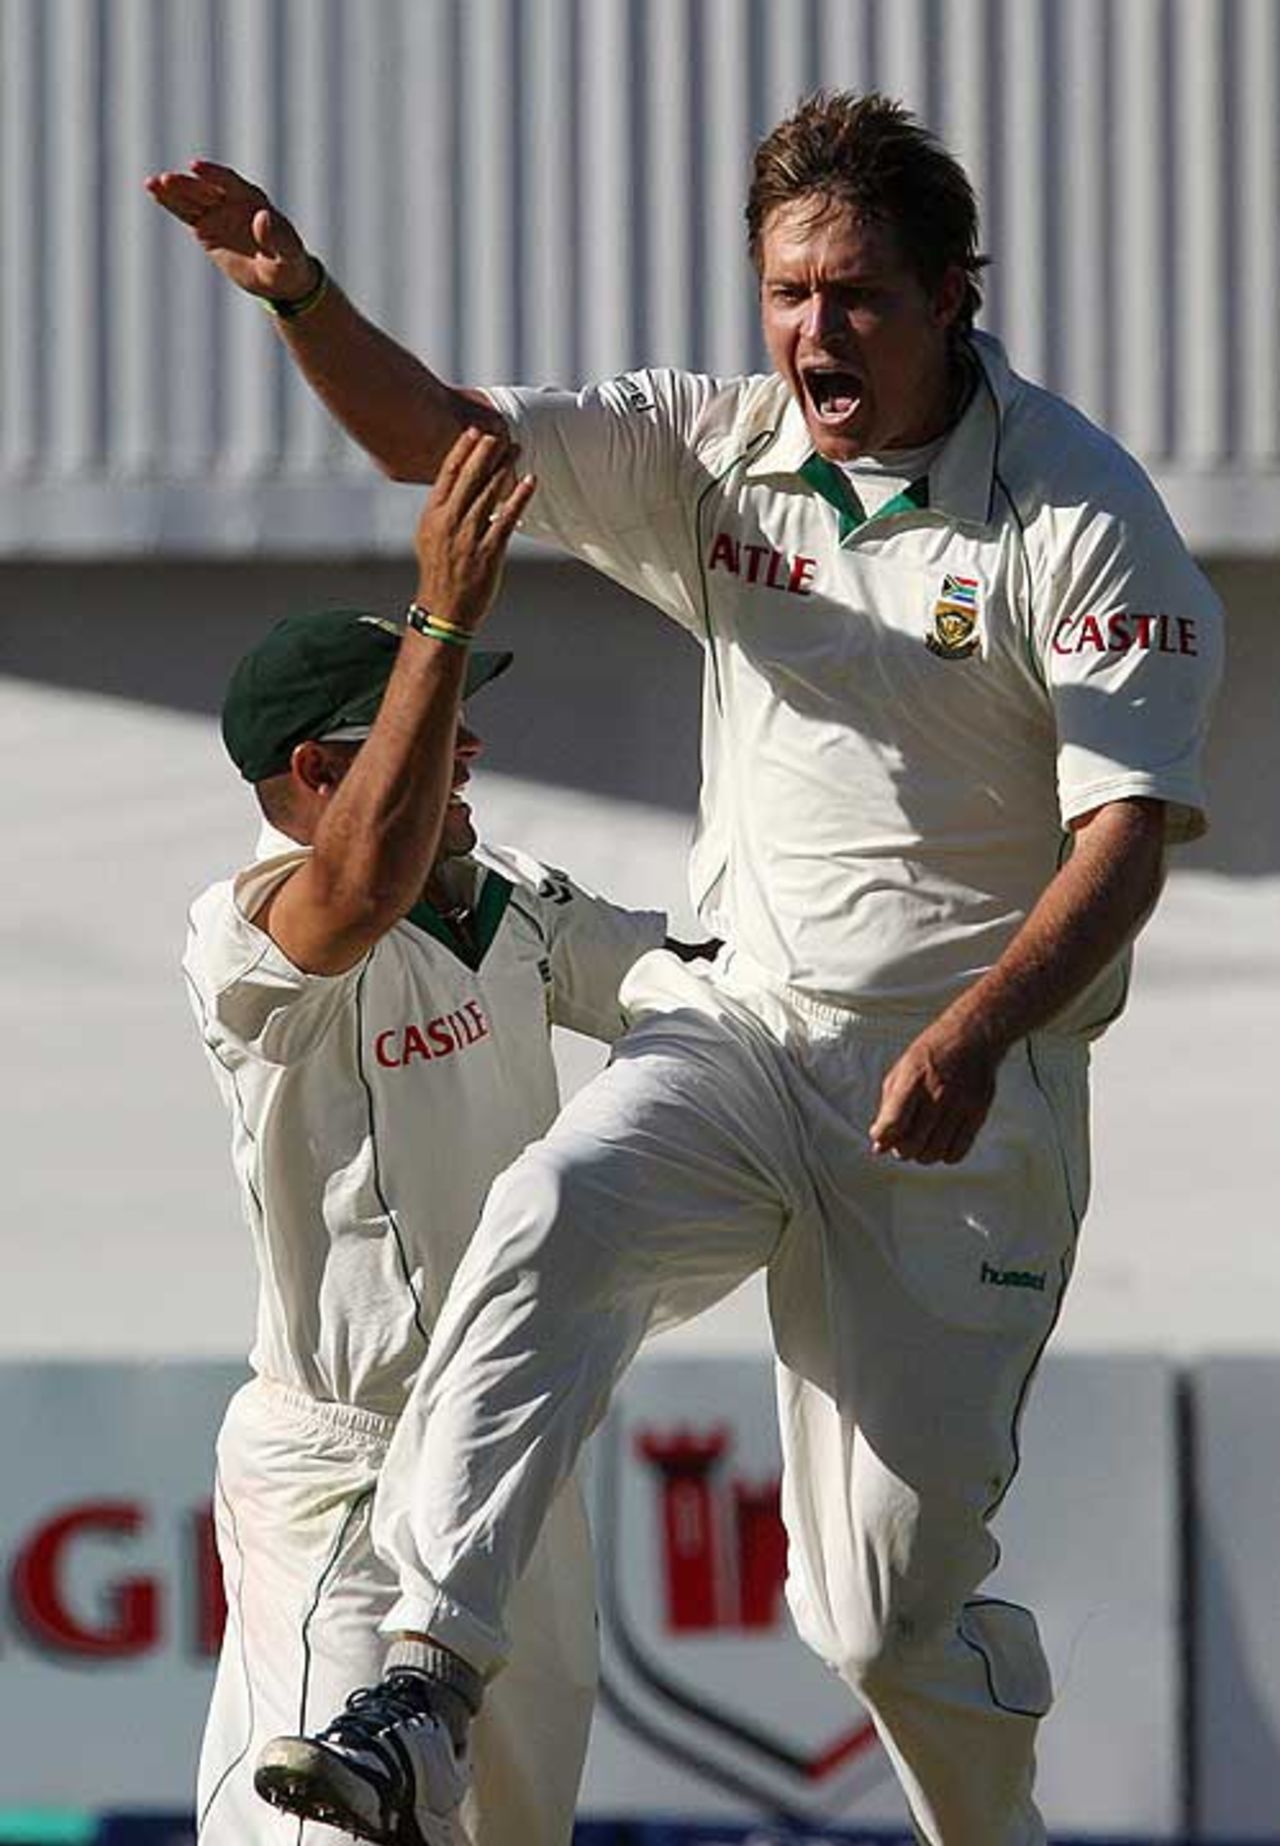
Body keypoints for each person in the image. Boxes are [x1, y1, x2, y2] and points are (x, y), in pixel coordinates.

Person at [152, 91, 1223, 1846]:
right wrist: (300, 300)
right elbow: (445, 441)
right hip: (739, 1038)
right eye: (788, 292)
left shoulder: (1080, 515)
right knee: (554, 1205)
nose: (815, 331)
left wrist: (975, 1026)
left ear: (957, 291)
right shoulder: (708, 449)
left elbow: (1126, 839)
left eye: (859, 295)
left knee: (876, 1616)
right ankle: (423, 1673)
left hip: (955, 1097)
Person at [184, 428, 679, 1846]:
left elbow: (689, 983)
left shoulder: (510, 894)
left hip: (511, 1463)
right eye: (424, 719)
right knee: (337, 1829)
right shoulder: (251, 929)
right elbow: (345, 897)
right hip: (347, 1462)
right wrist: (439, 619)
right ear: (313, 770)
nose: (466, 744)